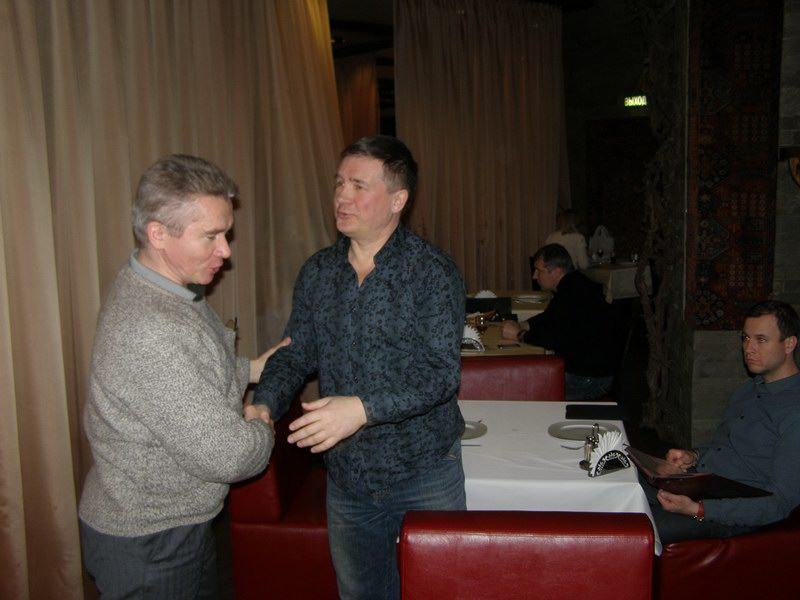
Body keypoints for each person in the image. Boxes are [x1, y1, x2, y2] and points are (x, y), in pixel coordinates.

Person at [254, 135, 466, 599]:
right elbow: (296, 350)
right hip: (347, 475)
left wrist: (362, 408)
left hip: (425, 469)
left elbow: (440, 374)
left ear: (397, 200)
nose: (342, 197)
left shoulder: (432, 271)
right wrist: (265, 402)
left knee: (437, 591)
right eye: (338, 184)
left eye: (358, 186)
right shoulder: (318, 272)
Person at [79, 154, 289, 598]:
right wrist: (260, 425)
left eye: (226, 234)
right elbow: (227, 457)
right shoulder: (153, 327)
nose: (225, 251)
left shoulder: (161, 287)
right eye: (210, 236)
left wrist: (250, 369)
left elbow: (189, 372)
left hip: (169, 527)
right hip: (152, 542)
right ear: (158, 234)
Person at [643, 300, 800, 544]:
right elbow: (724, 447)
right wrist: (693, 456)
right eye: (746, 338)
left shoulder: (794, 412)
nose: (748, 348)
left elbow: (779, 503)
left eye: (761, 340)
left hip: (733, 512)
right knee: (621, 483)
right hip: (706, 485)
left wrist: (697, 509)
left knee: (631, 531)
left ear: (789, 344)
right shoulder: (748, 390)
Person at [501, 243, 616, 399]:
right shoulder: (573, 284)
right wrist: (524, 324)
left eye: (539, 270)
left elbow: (552, 338)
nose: (534, 276)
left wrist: (519, 335)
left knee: (522, 390)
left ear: (557, 270)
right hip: (587, 371)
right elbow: (550, 316)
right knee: (524, 378)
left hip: (588, 379)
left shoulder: (573, 293)